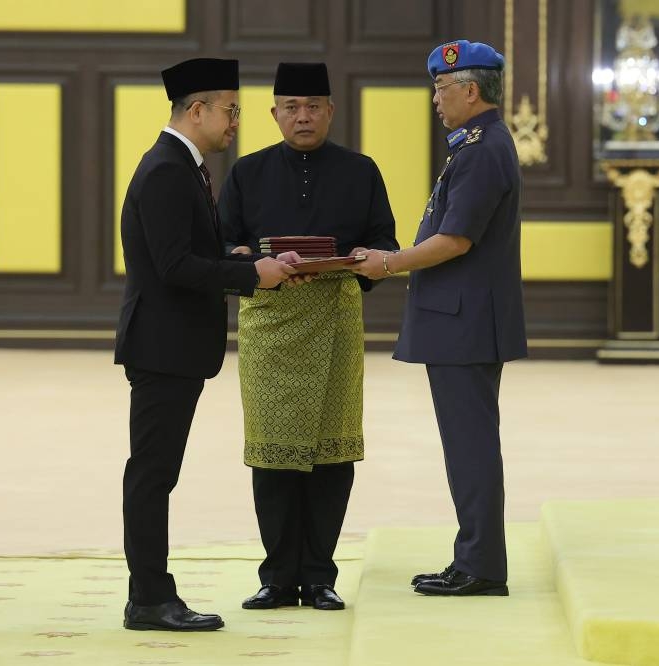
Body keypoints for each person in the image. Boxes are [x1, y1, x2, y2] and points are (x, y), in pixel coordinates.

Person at [114, 57, 296, 632]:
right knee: (152, 474)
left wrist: (240, 258)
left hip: (172, 345)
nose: (236, 121)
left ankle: (149, 592)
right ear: (197, 111)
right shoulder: (168, 169)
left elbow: (193, 249)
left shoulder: (182, 165)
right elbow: (172, 266)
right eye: (231, 110)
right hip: (162, 346)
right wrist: (251, 277)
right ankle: (148, 598)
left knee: (155, 472)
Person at [217, 62, 399, 611]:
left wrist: (365, 257)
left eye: (313, 107)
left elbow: (383, 241)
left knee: (330, 452)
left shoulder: (361, 170)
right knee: (272, 453)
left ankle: (320, 574)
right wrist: (249, 258)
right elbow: (223, 247)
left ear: (330, 112)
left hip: (336, 321)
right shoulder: (246, 173)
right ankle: (276, 577)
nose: (303, 117)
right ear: (274, 114)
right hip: (270, 325)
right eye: (292, 107)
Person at [352, 40, 527, 596]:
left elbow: (455, 239)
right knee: (466, 444)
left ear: (469, 90)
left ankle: (480, 566)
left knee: (470, 445)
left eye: (441, 87)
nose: (434, 98)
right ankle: (472, 557)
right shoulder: (477, 144)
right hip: (462, 317)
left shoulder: (481, 149)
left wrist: (390, 262)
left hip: (464, 320)